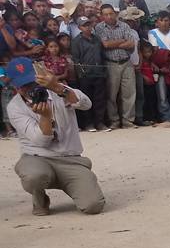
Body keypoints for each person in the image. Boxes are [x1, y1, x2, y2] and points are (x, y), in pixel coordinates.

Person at [5, 57, 105, 216]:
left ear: (39, 75)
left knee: (93, 205)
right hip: (37, 158)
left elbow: (86, 104)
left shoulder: (56, 88)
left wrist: (58, 87)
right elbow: (42, 141)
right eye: (22, 85)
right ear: (15, 86)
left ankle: (76, 180)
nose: (29, 87)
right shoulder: (14, 107)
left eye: (32, 81)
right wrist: (46, 116)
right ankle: (40, 198)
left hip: (70, 158)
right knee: (34, 177)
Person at [94, 4, 137, 130]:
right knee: (111, 95)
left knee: (129, 93)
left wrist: (115, 43)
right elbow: (106, 44)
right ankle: (114, 121)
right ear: (102, 16)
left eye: (111, 13)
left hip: (126, 62)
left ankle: (128, 121)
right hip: (110, 63)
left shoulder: (124, 25)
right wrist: (122, 41)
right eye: (106, 14)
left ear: (115, 13)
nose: (109, 16)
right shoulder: (99, 27)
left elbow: (131, 44)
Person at [70, 16, 108, 132]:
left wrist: (104, 71)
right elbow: (76, 59)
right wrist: (81, 74)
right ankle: (89, 123)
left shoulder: (97, 39)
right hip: (85, 76)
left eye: (89, 25)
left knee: (100, 99)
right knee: (87, 100)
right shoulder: (76, 41)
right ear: (80, 27)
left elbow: (102, 55)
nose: (88, 27)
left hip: (99, 74)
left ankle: (100, 123)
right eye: (84, 25)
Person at [147, 11, 170, 125]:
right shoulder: (152, 33)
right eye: (161, 20)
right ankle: (165, 117)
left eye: (166, 20)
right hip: (159, 68)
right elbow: (154, 51)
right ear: (157, 22)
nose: (164, 23)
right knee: (162, 95)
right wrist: (167, 58)